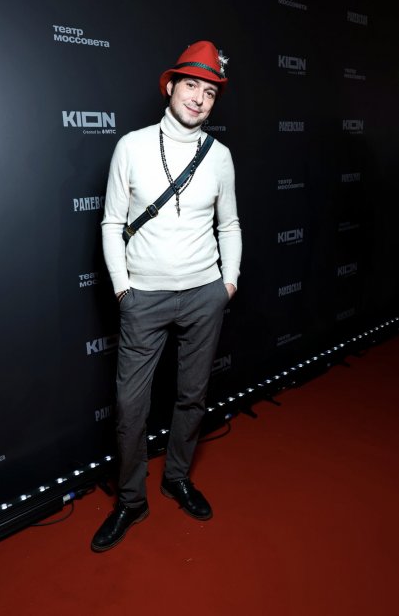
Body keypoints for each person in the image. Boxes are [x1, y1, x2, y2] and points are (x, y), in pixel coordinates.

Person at [91, 40, 242, 552]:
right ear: (171, 86)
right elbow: (111, 222)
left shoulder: (220, 157)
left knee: (192, 396)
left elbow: (230, 224)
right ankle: (131, 500)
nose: (199, 98)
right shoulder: (132, 147)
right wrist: (122, 287)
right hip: (145, 298)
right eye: (191, 86)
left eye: (210, 92)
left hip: (204, 294)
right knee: (130, 406)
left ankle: (177, 477)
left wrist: (228, 282)